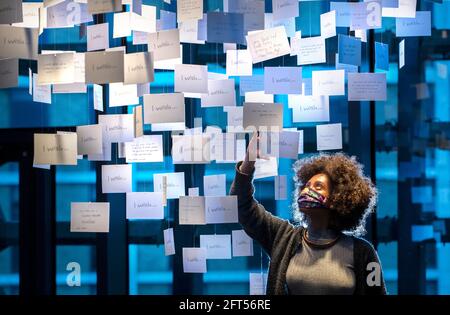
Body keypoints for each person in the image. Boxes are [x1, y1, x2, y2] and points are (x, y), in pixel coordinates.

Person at [230, 134, 387, 295]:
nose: (306, 190)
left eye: (318, 187)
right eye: (305, 185)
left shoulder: (364, 253)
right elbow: (241, 206)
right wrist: (248, 162)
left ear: (338, 198)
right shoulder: (283, 237)